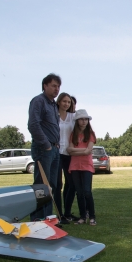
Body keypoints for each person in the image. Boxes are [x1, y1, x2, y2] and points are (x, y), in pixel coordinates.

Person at [28, 73, 61, 220]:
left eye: (58, 86)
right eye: (54, 85)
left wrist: (56, 145)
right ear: (45, 86)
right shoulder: (38, 101)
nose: (57, 89)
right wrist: (47, 145)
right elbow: (33, 125)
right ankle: (37, 219)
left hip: (54, 150)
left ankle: (48, 219)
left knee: (51, 185)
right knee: (42, 186)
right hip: (43, 149)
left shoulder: (53, 105)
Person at [68, 109, 97, 225]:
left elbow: (88, 151)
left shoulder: (90, 134)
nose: (84, 121)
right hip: (74, 166)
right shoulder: (72, 134)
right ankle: (82, 216)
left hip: (87, 166)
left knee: (87, 192)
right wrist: (83, 150)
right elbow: (69, 151)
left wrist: (74, 150)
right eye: (81, 119)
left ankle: (92, 216)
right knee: (79, 193)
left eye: (86, 119)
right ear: (77, 121)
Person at [55, 93, 76, 224]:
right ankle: (59, 215)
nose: (66, 104)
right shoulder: (53, 116)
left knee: (72, 184)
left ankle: (67, 213)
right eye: (64, 101)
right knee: (57, 185)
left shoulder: (72, 117)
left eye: (69, 102)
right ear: (58, 102)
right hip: (56, 153)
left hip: (69, 154)